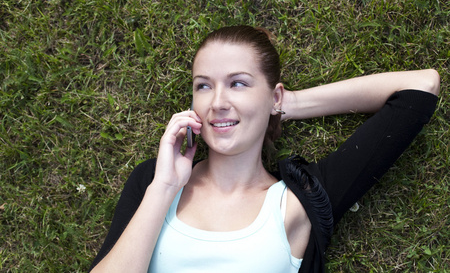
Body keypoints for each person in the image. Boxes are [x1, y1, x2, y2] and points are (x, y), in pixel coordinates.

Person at [90, 26, 440, 272]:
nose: (218, 102)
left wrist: (290, 104)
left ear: (273, 96)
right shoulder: (153, 182)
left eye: (238, 83)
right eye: (203, 86)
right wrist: (165, 188)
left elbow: (420, 87)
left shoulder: (300, 200)